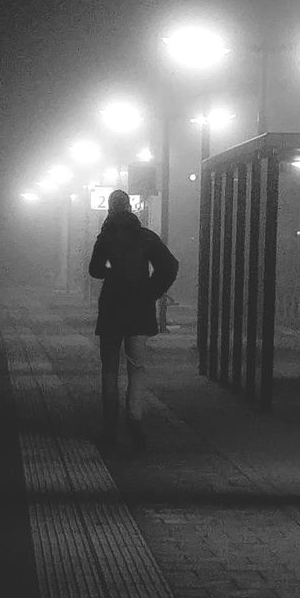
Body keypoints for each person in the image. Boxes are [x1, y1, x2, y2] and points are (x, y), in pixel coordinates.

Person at [88, 189, 178, 450]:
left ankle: (109, 427)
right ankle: (135, 420)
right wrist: (151, 291)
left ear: (110, 209)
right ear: (131, 208)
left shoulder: (105, 238)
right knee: (137, 368)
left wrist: (110, 271)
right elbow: (170, 266)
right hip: (139, 308)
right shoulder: (145, 237)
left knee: (109, 369)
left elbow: (94, 270)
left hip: (112, 309)